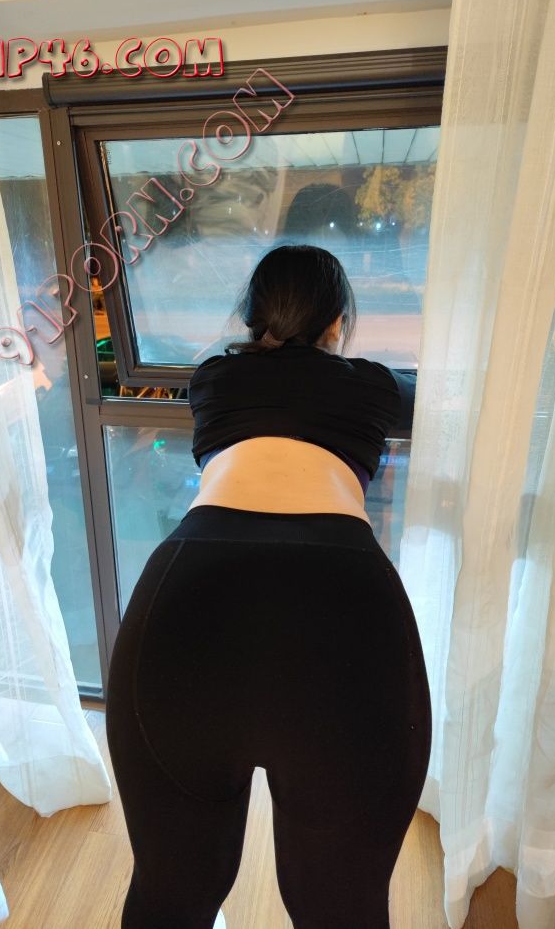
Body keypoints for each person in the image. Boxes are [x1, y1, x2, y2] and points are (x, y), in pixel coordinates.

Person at [105, 245, 431, 929]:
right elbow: (429, 398)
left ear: (252, 318)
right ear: (337, 323)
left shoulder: (213, 378)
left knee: (171, 895)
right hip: (341, 606)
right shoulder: (374, 386)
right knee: (341, 908)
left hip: (190, 598)